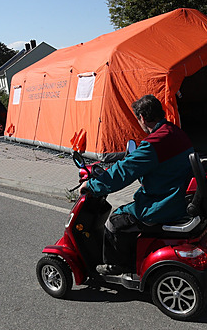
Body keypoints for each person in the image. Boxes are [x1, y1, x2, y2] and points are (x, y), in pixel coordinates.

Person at [80, 94, 194, 275]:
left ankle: (117, 266)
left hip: (164, 203)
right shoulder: (175, 132)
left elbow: (123, 172)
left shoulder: (154, 144)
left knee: (115, 221)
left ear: (141, 117)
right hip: (179, 197)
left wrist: (92, 185)